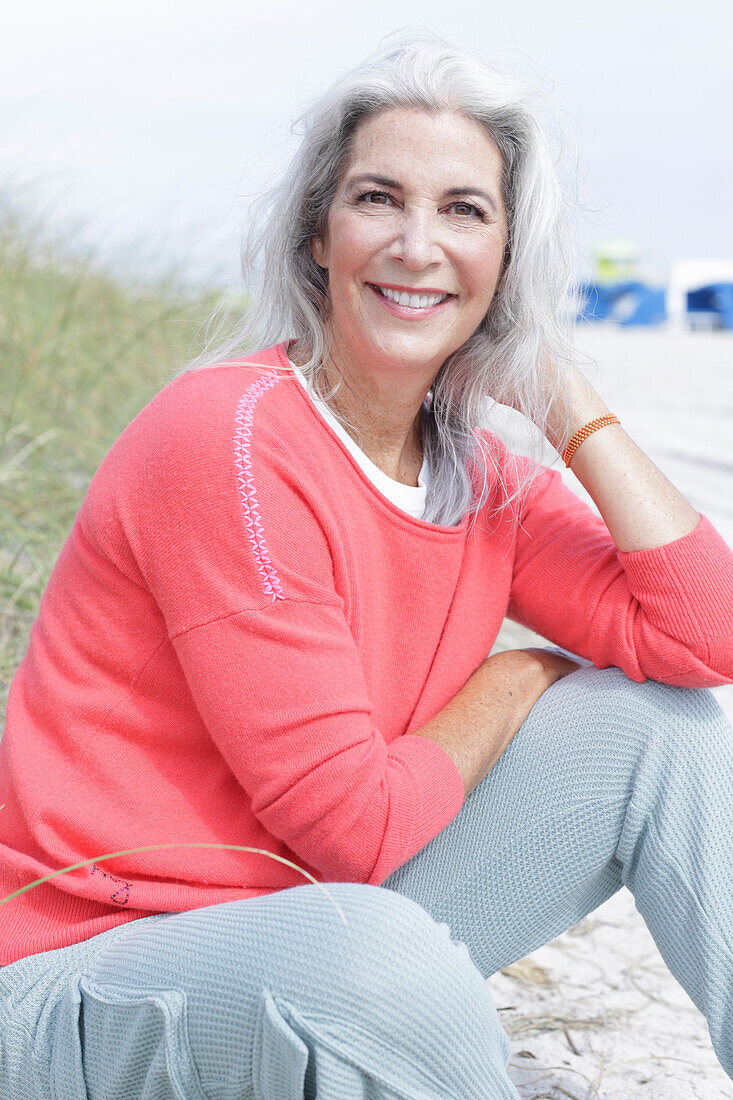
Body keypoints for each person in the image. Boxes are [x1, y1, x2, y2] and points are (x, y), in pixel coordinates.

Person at [1, 28, 733, 1099]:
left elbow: (703, 636)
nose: (416, 243)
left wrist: (569, 404)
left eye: (464, 210)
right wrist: (517, 671)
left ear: (505, 258)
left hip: (308, 925)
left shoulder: (476, 474)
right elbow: (354, 827)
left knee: (653, 727)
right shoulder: (229, 439)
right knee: (374, 956)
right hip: (84, 975)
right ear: (318, 233)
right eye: (378, 198)